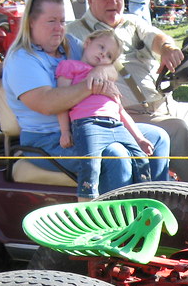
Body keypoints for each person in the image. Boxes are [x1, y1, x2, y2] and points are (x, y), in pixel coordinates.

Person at [2, 0, 171, 197]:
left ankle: (155, 203)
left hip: (92, 126)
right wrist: (92, 84)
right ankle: (117, 215)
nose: (59, 28)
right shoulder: (22, 60)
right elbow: (48, 104)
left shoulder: (70, 44)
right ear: (31, 22)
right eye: (51, 21)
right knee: (115, 155)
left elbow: (110, 65)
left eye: (62, 21)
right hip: (49, 139)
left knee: (158, 137)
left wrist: (100, 71)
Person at [69, 0, 188, 183]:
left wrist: (167, 48)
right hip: (126, 114)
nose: (112, 2)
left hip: (163, 105)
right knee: (177, 128)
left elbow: (155, 37)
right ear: (90, 0)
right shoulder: (75, 33)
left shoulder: (132, 22)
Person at [57, 29, 169, 198]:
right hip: (88, 124)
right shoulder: (70, 66)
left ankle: (146, 198)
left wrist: (139, 138)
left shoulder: (107, 78)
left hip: (116, 124)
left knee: (140, 158)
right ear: (87, 43)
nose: (103, 54)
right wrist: (65, 131)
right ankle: (87, 205)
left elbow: (121, 111)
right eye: (101, 47)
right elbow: (62, 101)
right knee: (91, 165)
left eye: (109, 55)